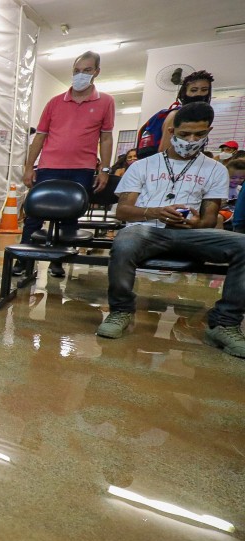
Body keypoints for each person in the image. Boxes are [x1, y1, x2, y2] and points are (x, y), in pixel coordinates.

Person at [96, 102, 245, 358]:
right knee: (125, 240)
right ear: (171, 131)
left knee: (242, 245)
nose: (191, 140)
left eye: (199, 135)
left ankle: (224, 324)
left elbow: (210, 219)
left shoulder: (215, 170)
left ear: (208, 131)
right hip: (146, 229)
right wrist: (155, 212)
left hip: (191, 234)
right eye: (185, 134)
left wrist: (194, 222)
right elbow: (123, 211)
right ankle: (120, 310)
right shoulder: (142, 166)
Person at [18, 50, 115, 278]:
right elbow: (40, 136)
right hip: (50, 167)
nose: (81, 75)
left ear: (96, 72)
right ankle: (23, 261)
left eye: (87, 70)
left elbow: (106, 137)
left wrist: (105, 170)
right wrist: (29, 167)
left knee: (69, 217)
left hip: (81, 169)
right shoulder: (54, 103)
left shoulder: (105, 102)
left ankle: (57, 261)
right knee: (34, 216)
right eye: (77, 71)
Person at [135, 70, 213, 158]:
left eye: (204, 90)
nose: (199, 94)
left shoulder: (203, 118)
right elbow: (164, 151)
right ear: (185, 92)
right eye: (193, 90)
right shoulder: (176, 114)